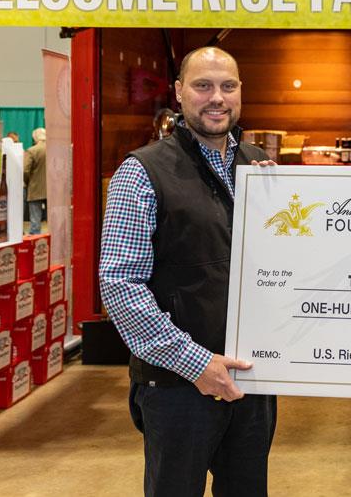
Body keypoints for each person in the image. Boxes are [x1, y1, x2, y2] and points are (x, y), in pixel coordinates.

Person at [99, 47, 277, 497]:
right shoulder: (141, 172)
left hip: (251, 382)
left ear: (241, 93)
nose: (216, 97)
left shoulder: (260, 169)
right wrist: (196, 364)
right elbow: (120, 283)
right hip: (178, 387)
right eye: (203, 85)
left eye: (228, 86)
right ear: (179, 93)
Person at [23, 128, 47, 234]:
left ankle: (36, 246)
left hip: (35, 189)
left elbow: (25, 171)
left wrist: (28, 182)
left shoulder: (31, 151)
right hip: (52, 191)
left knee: (35, 224)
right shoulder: (54, 149)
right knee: (52, 222)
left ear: (35, 138)